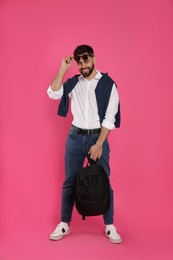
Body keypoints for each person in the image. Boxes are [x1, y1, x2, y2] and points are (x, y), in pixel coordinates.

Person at [47, 44, 122, 244]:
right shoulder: (74, 83)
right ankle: (64, 223)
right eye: (79, 61)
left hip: (98, 138)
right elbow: (53, 93)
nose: (82, 64)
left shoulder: (108, 84)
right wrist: (63, 68)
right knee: (70, 182)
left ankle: (109, 225)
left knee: (104, 180)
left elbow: (109, 118)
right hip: (74, 137)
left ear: (94, 59)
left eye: (86, 60)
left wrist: (98, 144)